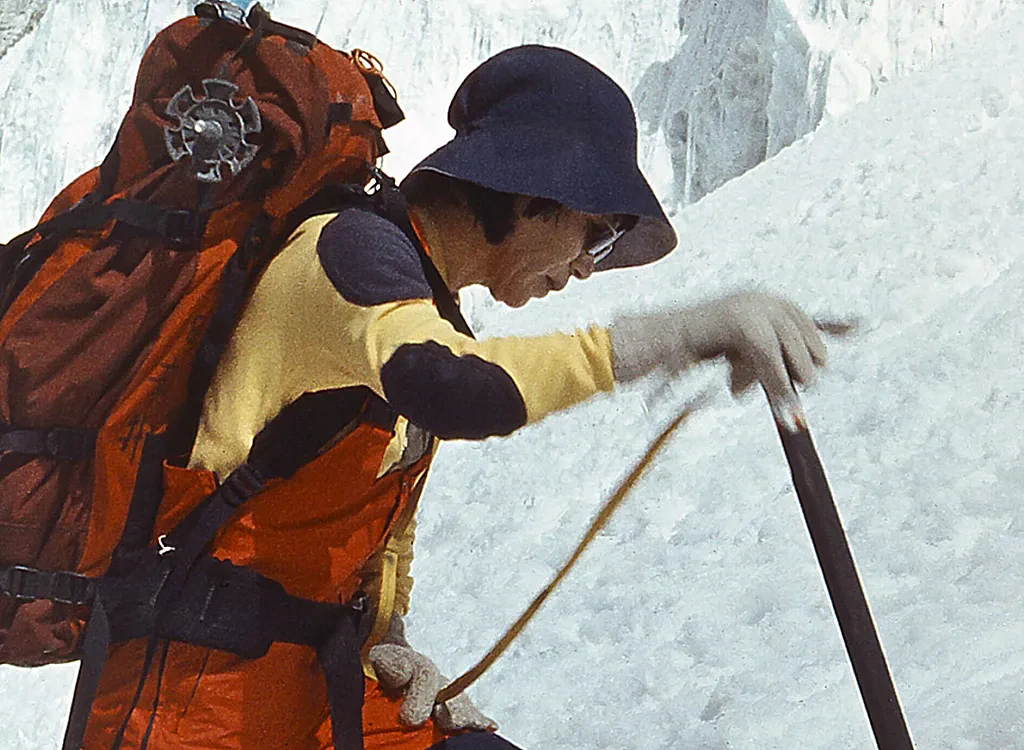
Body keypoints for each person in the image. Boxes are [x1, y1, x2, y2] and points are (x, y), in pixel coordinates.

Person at [83, 44, 827, 750]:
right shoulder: (351, 256)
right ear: (534, 192)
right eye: (593, 234)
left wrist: (389, 636)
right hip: (186, 701)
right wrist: (682, 334)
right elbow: (459, 389)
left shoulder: (418, 300)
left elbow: (382, 515)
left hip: (302, 679)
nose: (587, 267)